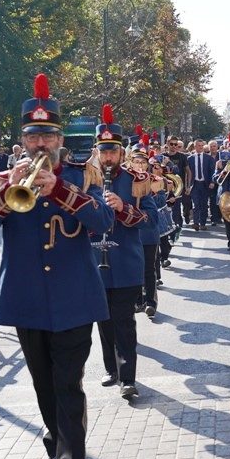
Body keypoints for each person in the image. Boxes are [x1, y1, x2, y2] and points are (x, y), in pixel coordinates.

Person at [0, 74, 113, 459]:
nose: (41, 145)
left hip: (73, 299)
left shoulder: (83, 176)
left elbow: (103, 222)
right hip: (27, 299)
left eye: (48, 135)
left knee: (68, 383)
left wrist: (62, 190)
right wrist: (4, 193)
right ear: (24, 140)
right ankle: (57, 446)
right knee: (43, 384)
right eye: (33, 137)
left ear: (60, 137)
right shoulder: (3, 180)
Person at [91, 106, 157, 398]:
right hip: (94, 260)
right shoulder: (86, 180)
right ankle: (111, 369)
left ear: (121, 153)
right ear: (97, 151)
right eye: (103, 151)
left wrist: (124, 208)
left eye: (113, 152)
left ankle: (128, 377)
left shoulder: (136, 180)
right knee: (103, 321)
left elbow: (152, 218)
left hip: (126, 261)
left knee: (125, 321)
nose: (108, 157)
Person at [131, 144, 161, 318]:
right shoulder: (126, 180)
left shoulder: (155, 180)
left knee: (149, 269)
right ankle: (137, 301)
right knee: (133, 268)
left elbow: (163, 200)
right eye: (136, 162)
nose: (140, 165)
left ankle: (151, 302)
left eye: (143, 162)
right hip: (132, 233)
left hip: (148, 233)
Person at [188, 139, 216, 230]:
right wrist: (187, 185)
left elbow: (212, 171)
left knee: (204, 204)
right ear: (195, 146)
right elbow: (188, 173)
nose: (200, 147)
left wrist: (212, 182)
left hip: (205, 184)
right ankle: (196, 223)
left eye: (201, 145)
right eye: (198, 145)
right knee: (195, 204)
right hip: (195, 184)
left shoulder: (209, 158)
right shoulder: (190, 158)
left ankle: (203, 223)